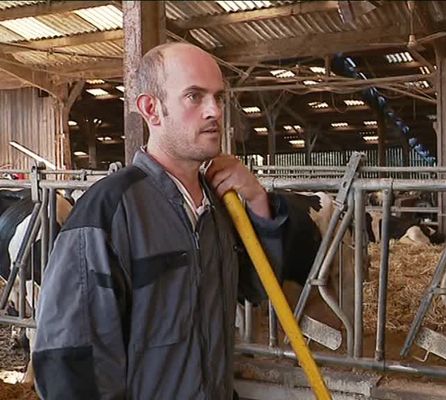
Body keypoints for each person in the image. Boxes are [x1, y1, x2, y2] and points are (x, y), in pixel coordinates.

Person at [32, 42, 287, 399]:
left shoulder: (218, 205)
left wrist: (258, 201)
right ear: (151, 109)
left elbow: (258, 289)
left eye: (218, 97)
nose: (214, 110)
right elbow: (68, 361)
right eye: (194, 96)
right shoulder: (108, 210)